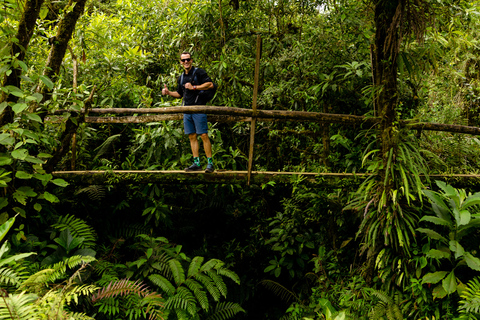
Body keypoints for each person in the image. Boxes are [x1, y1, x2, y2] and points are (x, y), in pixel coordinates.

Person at [161, 51, 215, 173]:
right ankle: (197, 163)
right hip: (187, 110)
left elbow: (210, 84)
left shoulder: (199, 72)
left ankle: (210, 164)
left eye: (188, 59)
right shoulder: (181, 77)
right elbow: (180, 94)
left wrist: (194, 87)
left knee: (204, 135)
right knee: (192, 136)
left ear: (191, 60)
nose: (186, 62)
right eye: (183, 60)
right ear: (180, 62)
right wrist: (169, 93)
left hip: (199, 108)